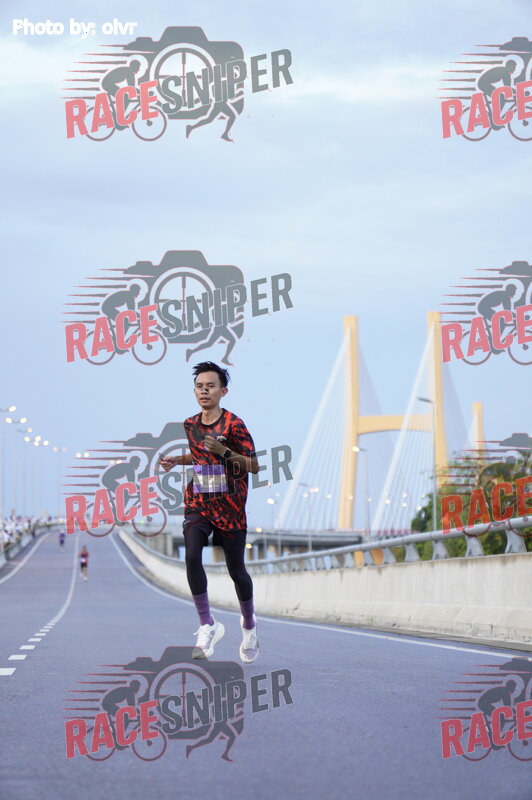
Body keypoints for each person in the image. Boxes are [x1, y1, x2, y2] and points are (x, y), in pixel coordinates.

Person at [159, 361, 260, 663]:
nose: (205, 391)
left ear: (223, 391)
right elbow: (200, 455)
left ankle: (249, 626)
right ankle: (207, 625)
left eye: (211, 386)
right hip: (199, 502)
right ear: (195, 391)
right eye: (200, 387)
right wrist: (177, 460)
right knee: (192, 556)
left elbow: (253, 465)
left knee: (236, 571)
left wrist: (224, 451)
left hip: (230, 507)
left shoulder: (234, 424)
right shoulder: (190, 424)